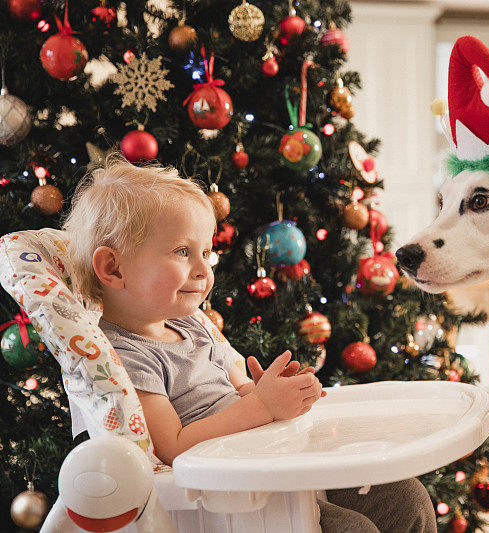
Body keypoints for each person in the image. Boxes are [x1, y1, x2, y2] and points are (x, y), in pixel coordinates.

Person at [62, 155, 435, 533]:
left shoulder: (192, 324)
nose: (204, 269)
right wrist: (261, 405)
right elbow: (173, 447)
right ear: (113, 268)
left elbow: (238, 389)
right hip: (238, 503)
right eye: (181, 251)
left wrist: (267, 390)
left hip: (276, 462)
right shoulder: (124, 355)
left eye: (206, 252)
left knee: (405, 497)